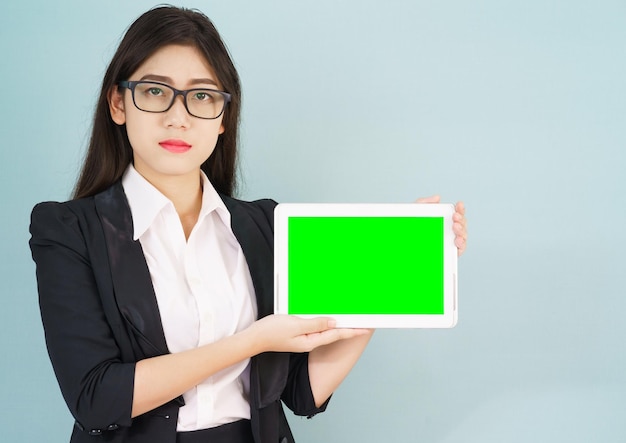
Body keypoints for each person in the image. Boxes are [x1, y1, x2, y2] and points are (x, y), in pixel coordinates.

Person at [29, 6, 468, 443]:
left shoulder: (267, 224)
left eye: (201, 96)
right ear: (118, 103)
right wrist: (251, 341)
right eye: (155, 91)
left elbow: (301, 392)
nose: (178, 116)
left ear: (223, 119)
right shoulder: (68, 231)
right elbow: (95, 398)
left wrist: (391, 272)